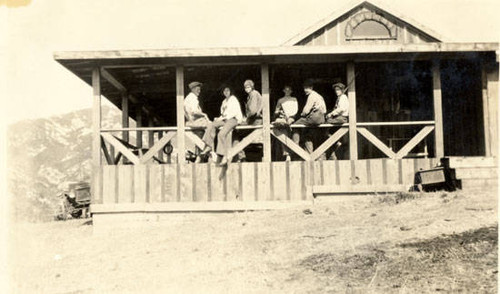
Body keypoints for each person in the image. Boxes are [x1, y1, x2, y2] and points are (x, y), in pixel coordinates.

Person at [200, 86, 243, 165]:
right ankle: (209, 145)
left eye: (227, 90)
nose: (226, 92)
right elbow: (223, 114)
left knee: (221, 134)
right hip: (225, 119)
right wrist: (218, 118)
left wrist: (222, 118)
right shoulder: (224, 102)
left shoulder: (233, 99)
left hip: (233, 119)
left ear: (230, 91)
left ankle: (225, 157)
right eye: (224, 91)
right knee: (211, 125)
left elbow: (232, 113)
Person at [293, 79, 326, 154]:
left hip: (314, 118)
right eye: (304, 88)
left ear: (311, 88)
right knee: (308, 134)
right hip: (321, 118)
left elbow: (306, 110)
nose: (305, 90)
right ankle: (309, 153)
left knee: (295, 125)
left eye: (307, 88)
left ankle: (295, 145)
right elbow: (325, 110)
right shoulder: (319, 96)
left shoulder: (311, 96)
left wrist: (301, 114)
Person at [233, 79, 263, 161]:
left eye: (248, 87)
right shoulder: (251, 95)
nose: (247, 89)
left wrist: (246, 118)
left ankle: (241, 157)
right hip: (254, 121)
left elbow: (253, 111)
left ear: (252, 87)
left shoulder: (253, 94)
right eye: (245, 87)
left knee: (235, 133)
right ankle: (240, 157)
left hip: (256, 122)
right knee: (238, 133)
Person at [184, 81, 210, 162]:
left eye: (199, 89)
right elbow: (194, 111)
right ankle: (209, 147)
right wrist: (204, 115)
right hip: (194, 122)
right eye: (198, 89)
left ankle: (199, 158)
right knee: (212, 125)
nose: (199, 91)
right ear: (193, 89)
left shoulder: (188, 98)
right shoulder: (192, 98)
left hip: (191, 121)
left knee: (200, 138)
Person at [272, 85, 299, 161]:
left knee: (290, 131)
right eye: (286, 90)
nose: (287, 91)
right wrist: (279, 112)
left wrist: (290, 116)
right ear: (283, 91)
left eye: (289, 90)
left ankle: (291, 154)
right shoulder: (280, 100)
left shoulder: (294, 99)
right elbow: (276, 111)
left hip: (291, 118)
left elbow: (295, 110)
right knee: (282, 131)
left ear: (291, 91)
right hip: (283, 118)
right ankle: (287, 154)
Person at [325, 82, 349, 159]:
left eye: (338, 90)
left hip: (342, 117)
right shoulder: (339, 98)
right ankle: (336, 142)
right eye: (336, 90)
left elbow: (341, 109)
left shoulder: (343, 97)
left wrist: (331, 114)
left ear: (342, 90)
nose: (336, 91)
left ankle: (336, 142)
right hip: (338, 117)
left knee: (326, 123)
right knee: (330, 132)